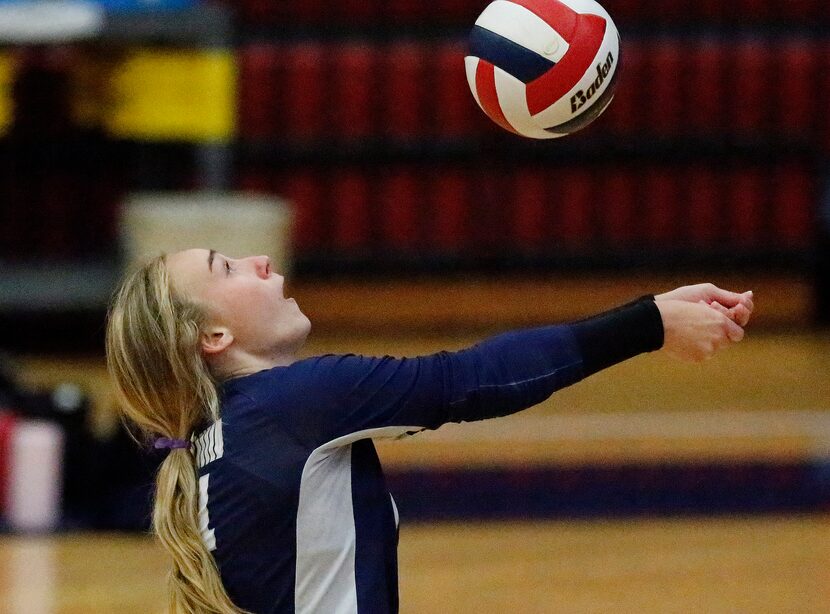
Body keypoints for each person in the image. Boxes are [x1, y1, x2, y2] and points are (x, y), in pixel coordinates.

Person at [105, 248, 754, 614]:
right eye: (227, 269)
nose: (262, 261)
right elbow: (471, 380)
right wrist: (651, 324)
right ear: (212, 337)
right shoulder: (292, 403)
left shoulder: (230, 431)